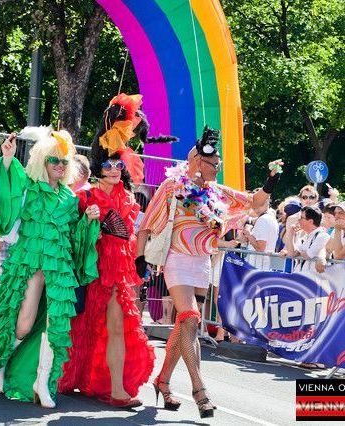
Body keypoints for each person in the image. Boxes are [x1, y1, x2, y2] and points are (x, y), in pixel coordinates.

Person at [136, 126, 283, 418]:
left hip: (202, 261)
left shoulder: (216, 192)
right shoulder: (173, 187)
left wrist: (269, 181)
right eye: (213, 163)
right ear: (196, 161)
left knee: (184, 327)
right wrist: (141, 259)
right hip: (177, 260)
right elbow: (147, 224)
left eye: (218, 163)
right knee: (190, 319)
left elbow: (254, 203)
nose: (218, 167)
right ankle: (199, 390)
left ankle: (163, 381)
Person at [0, 127, 100, 408]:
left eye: (63, 161)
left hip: (58, 270)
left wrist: (89, 221)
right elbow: (7, 193)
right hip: (31, 263)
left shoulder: (70, 199)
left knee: (55, 326)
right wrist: (7, 160)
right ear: (42, 161)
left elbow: (73, 237)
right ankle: (4, 362)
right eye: (53, 160)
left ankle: (42, 382)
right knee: (25, 321)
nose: (58, 165)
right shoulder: (30, 189)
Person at [59, 93, 155, 408]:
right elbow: (71, 236)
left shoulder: (129, 197)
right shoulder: (85, 196)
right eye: (108, 164)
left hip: (118, 273)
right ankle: (68, 377)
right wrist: (89, 224)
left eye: (118, 164)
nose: (114, 169)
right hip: (90, 270)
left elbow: (132, 233)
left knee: (117, 326)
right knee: (81, 325)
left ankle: (117, 390)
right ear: (99, 166)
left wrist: (139, 260)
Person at [283, 206, 330, 274]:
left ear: (310, 221)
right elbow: (292, 254)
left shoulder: (322, 236)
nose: (298, 220)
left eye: (301, 218)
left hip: (312, 279)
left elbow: (308, 255)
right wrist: (291, 234)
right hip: (300, 277)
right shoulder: (305, 235)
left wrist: (299, 252)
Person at [242, 197, 279, 270]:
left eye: (260, 203)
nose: (256, 207)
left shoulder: (263, 220)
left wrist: (248, 233)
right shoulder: (271, 218)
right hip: (262, 266)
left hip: (256, 267)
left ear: (267, 202)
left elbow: (260, 248)